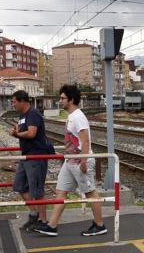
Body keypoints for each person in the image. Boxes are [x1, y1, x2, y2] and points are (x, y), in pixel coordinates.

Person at [35, 84, 107, 237]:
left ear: (71, 99)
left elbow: (85, 141)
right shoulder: (71, 116)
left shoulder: (78, 117)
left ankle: (100, 225)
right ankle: (52, 226)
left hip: (80, 162)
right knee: (61, 190)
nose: (60, 101)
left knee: (90, 192)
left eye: (62, 98)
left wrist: (83, 161)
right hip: (70, 162)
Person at [9, 90, 50, 232]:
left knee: (37, 191)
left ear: (22, 101)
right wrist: (16, 134)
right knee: (19, 185)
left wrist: (17, 134)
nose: (12, 104)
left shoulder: (33, 114)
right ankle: (34, 214)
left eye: (14, 101)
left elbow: (31, 133)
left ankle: (43, 221)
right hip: (26, 155)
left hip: (36, 156)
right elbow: (22, 133)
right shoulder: (22, 116)